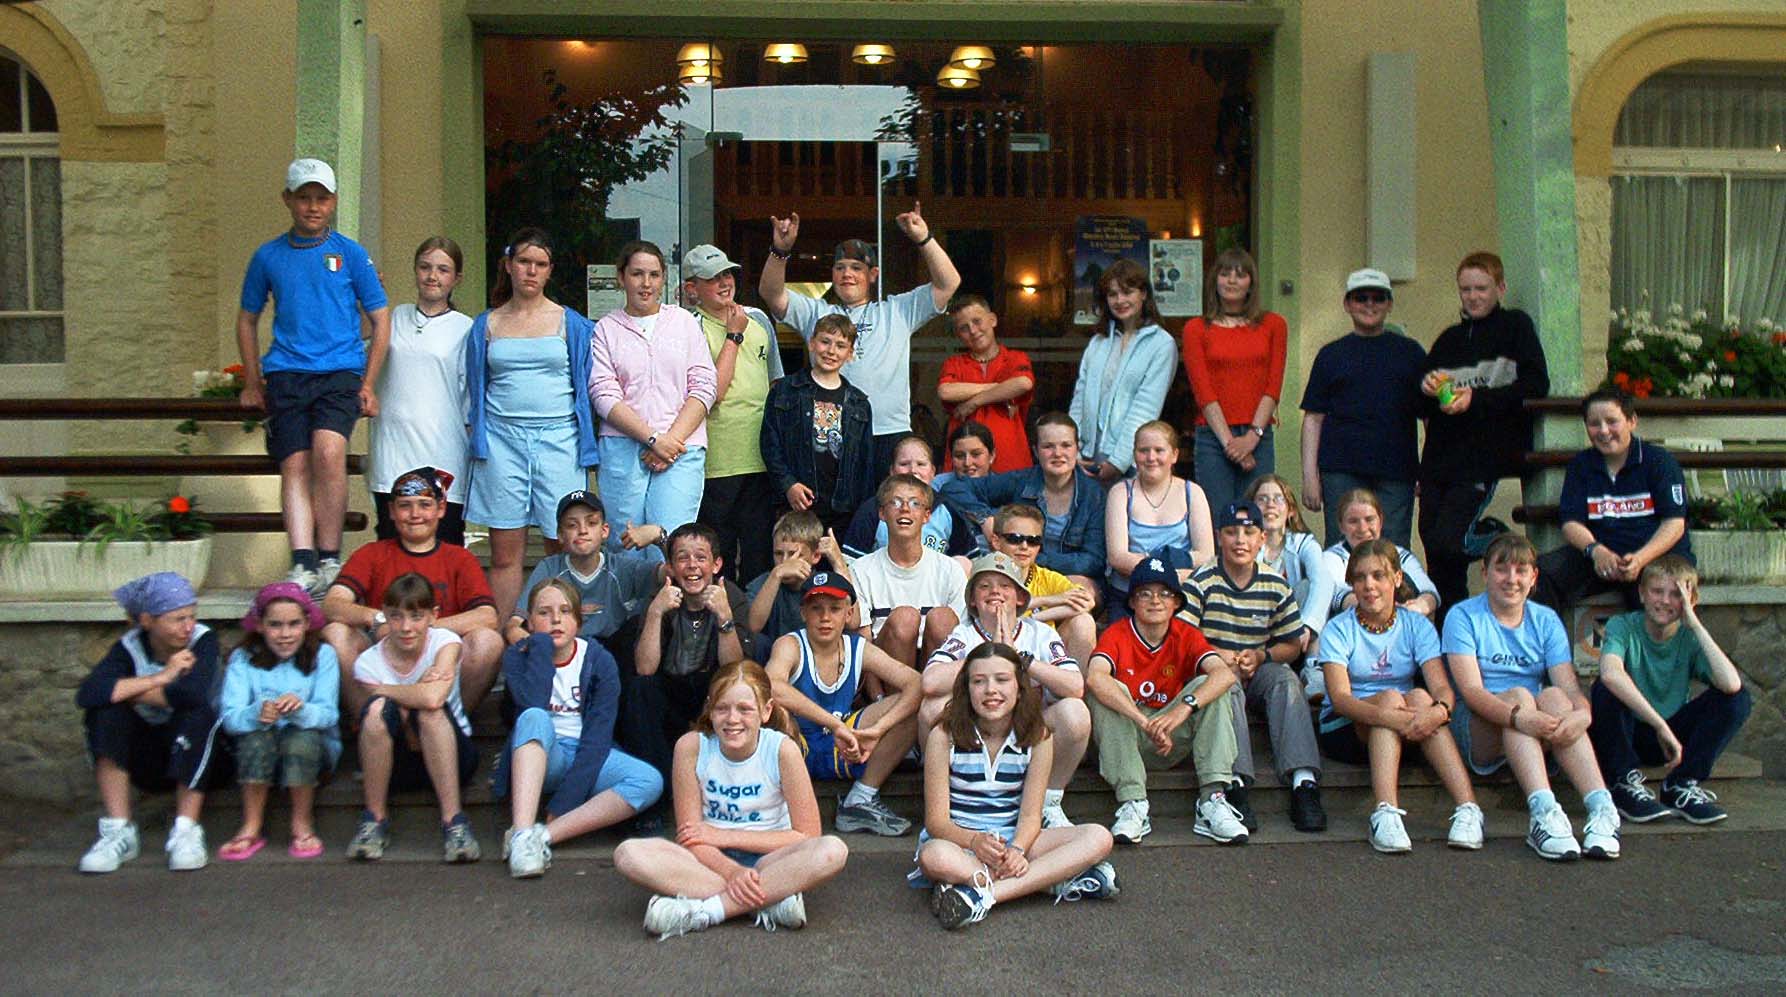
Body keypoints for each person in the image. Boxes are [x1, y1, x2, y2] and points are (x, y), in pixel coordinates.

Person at [235, 158, 391, 594]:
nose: (313, 206)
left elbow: (381, 319)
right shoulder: (268, 256)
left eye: (321, 198)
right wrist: (252, 380)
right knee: (295, 464)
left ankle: (329, 557)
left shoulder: (351, 253)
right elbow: (247, 319)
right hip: (286, 373)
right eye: (304, 197)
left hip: (339, 371)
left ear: (334, 201)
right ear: (288, 200)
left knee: (328, 452)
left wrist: (368, 384)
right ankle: (302, 560)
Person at [612, 662, 850, 939]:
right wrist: (733, 871)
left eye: (745, 709)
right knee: (628, 854)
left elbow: (806, 835)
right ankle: (768, 901)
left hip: (772, 860)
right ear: (710, 709)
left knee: (832, 851)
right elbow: (691, 837)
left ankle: (707, 911)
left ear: (766, 710)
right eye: (722, 708)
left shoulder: (782, 750)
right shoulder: (691, 747)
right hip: (709, 863)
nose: (732, 719)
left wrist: (724, 836)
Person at [1444, 534, 1621, 861]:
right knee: (1520, 695)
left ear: (1534, 577)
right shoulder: (1463, 616)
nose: (1511, 579)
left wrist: (1583, 715)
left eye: (1521, 570)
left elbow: (1569, 688)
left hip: (1535, 729)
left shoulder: (1545, 619)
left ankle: (1602, 810)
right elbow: (1471, 691)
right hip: (1481, 730)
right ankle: (1543, 813)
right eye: (1501, 570)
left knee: (1553, 696)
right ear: (1484, 573)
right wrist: (1518, 716)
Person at [916, 643, 1118, 930]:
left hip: (1015, 841)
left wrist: (1019, 850)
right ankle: (1049, 881)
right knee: (933, 856)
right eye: (978, 681)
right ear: (966, 689)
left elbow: (1031, 816)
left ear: (1020, 688)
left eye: (1002, 680)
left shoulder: (1038, 737)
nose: (990, 690)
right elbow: (936, 822)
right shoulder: (944, 735)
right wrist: (974, 841)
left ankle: (982, 895)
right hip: (959, 843)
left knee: (1099, 837)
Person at [760, 203, 962, 472]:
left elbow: (948, 283)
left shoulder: (897, 310)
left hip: (890, 431)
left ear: (873, 275)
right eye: (840, 267)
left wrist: (924, 239)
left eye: (856, 267)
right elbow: (771, 293)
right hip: (835, 432)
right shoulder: (817, 312)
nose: (847, 274)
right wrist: (780, 251)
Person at [465, 227, 601, 621]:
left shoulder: (571, 323)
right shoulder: (486, 324)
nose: (531, 271)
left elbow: (591, 384)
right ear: (508, 265)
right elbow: (474, 386)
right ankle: (501, 643)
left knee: (565, 546)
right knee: (506, 554)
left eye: (540, 264)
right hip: (502, 441)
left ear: (549, 271)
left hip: (559, 439)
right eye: (524, 262)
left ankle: (564, 640)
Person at [1313, 540, 1484, 853]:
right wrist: (1388, 715)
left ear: (1397, 579)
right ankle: (1385, 813)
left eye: (1379, 575)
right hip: (1346, 726)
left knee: (1420, 696)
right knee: (1393, 696)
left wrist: (1440, 711)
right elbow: (1340, 698)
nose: (1369, 585)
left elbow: (1442, 688)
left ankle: (1468, 809)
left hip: (1407, 722)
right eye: (1360, 578)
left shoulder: (1416, 625)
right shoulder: (1339, 629)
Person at [495, 580, 664, 878]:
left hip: (588, 754)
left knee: (649, 781)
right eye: (544, 613)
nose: (556, 620)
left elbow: (598, 738)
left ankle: (543, 836)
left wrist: (564, 803)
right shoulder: (518, 656)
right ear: (530, 622)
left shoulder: (599, 660)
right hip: (541, 755)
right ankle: (522, 832)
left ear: (578, 620)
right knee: (534, 716)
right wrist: (540, 648)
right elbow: (530, 703)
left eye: (565, 611)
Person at [1417, 252, 1550, 615]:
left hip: (1484, 457)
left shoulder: (1515, 327)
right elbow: (1422, 402)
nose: (1473, 297)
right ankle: (1452, 634)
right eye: (1466, 289)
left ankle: (1498, 536)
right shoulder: (1449, 340)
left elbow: (1536, 384)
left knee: (1450, 541)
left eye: (1481, 288)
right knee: (1436, 554)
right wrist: (1427, 387)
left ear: (1500, 288)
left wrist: (1476, 398)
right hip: (1439, 461)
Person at [1180, 501, 1325, 833]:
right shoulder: (1201, 582)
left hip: (1258, 666)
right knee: (1224, 685)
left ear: (1262, 539)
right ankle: (1236, 783)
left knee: (1287, 681)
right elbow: (1183, 639)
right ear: (1219, 538)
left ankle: (1303, 782)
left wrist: (1262, 656)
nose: (1240, 540)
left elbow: (1291, 644)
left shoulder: (1275, 584)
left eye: (1248, 533)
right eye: (1231, 532)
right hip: (1215, 669)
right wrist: (1219, 657)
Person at [1084, 558, 1247, 845]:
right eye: (1145, 593)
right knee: (1107, 690)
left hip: (1171, 737)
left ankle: (1212, 800)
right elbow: (1095, 678)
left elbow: (1225, 675)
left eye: (1164, 594)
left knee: (1211, 686)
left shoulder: (1186, 634)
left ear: (1176, 603)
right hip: (1127, 739)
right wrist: (1143, 721)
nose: (1155, 601)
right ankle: (1133, 803)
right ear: (1132, 601)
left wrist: (1183, 709)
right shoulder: (1117, 633)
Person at [921, 553, 1090, 829]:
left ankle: (1048, 801)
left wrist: (1020, 659)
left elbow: (1075, 686)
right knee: (932, 709)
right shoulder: (965, 634)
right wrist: (986, 657)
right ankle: (947, 803)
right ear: (973, 600)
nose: (995, 592)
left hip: (1027, 736)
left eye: (1005, 586)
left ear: (1021, 598)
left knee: (1076, 713)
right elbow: (929, 682)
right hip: (976, 741)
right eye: (985, 586)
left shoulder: (1040, 633)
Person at [75, 573, 226, 873]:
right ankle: (119, 831)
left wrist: (131, 692)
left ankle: (186, 830)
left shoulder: (203, 641)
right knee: (104, 713)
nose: (188, 626)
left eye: (192, 616)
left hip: (208, 759)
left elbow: (191, 695)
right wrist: (161, 677)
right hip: (149, 758)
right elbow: (90, 693)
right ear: (147, 621)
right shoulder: (129, 646)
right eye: (177, 619)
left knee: (197, 715)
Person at [321, 466, 503, 715]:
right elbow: (333, 604)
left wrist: (420, 628)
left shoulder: (459, 558)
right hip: (383, 655)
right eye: (405, 505)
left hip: (437, 661)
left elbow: (486, 616)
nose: (415, 514)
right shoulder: (371, 554)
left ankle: (450, 723)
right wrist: (380, 619)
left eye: (424, 505)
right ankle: (368, 721)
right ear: (392, 511)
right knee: (336, 632)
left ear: (441, 509)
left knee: (488, 641)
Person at [1590, 556, 1751, 825]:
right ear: (1642, 593)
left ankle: (1680, 784)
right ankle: (1623, 784)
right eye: (1657, 591)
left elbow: (1731, 685)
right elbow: (1611, 673)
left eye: (1676, 594)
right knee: (1605, 689)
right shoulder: (1624, 626)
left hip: (1670, 745)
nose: (1665, 601)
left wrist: (1695, 624)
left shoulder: (1689, 637)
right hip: (1630, 735)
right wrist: (1659, 726)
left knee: (1738, 699)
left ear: (1690, 600)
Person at [590, 240, 719, 563]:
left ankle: (669, 612)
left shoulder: (685, 323)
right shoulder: (606, 329)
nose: (646, 283)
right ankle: (630, 614)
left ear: (664, 279)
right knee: (625, 544)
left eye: (654, 275)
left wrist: (670, 442)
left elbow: (703, 386)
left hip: (681, 449)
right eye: (637, 274)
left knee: (674, 542)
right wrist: (651, 438)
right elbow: (603, 393)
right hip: (623, 447)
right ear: (621, 278)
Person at [766, 572, 920, 837]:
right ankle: (775, 805)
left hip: (844, 746)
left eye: (835, 609)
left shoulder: (856, 646)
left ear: (849, 614)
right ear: (803, 612)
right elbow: (772, 685)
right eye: (816, 609)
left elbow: (916, 684)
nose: (825, 617)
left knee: (911, 709)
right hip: (796, 747)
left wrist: (878, 729)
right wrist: (835, 724)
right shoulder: (790, 643)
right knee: (774, 712)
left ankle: (860, 799)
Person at [619, 523, 764, 800]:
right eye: (683, 558)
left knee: (737, 686)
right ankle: (657, 793)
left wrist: (724, 618)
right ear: (671, 568)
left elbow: (735, 670)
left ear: (717, 564)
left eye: (700, 557)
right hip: (670, 692)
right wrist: (654, 613)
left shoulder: (731, 596)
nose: (692, 566)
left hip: (712, 694)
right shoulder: (660, 596)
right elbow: (645, 669)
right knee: (639, 690)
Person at [345, 573, 482, 863]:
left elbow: (433, 698)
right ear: (384, 615)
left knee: (429, 712)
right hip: (397, 760)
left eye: (416, 616)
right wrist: (413, 692)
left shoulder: (445, 642)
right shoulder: (369, 661)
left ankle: (454, 821)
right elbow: (424, 693)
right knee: (375, 712)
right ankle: (374, 819)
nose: (406, 627)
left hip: (453, 753)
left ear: (433, 616)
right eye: (396, 617)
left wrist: (385, 690)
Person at [1532, 386, 1692, 614]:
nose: (1604, 431)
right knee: (1538, 575)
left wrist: (1640, 559)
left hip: (1654, 556)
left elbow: (1674, 524)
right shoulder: (1581, 465)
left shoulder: (1659, 462)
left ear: (1632, 421)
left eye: (1612, 421)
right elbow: (1570, 523)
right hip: (1602, 558)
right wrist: (1596, 551)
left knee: (1661, 589)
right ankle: (1545, 646)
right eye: (1594, 424)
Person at [1299, 268, 1426, 546]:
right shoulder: (1331, 355)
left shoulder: (1411, 353)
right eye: (1361, 298)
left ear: (1389, 304)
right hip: (1340, 470)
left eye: (1378, 298)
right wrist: (1310, 476)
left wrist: (1427, 470)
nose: (1369, 304)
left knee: (1392, 550)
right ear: (1347, 304)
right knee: (1341, 548)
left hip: (1397, 469)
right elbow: (1313, 419)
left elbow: (1430, 418)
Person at [217, 583, 340, 862]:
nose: (285, 634)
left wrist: (300, 709)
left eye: (294, 624)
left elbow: (329, 714)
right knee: (254, 739)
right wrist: (255, 713)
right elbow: (230, 718)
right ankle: (251, 825)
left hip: (313, 749)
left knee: (301, 739)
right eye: (275, 625)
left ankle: (302, 823)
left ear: (307, 623)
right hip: (261, 745)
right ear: (259, 625)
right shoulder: (243, 658)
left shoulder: (324, 655)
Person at [685, 244, 786, 582]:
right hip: (716, 461)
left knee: (759, 551)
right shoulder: (689, 327)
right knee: (719, 553)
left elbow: (776, 384)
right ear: (692, 289)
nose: (724, 282)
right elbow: (712, 392)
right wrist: (733, 334)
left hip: (760, 457)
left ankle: (754, 629)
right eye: (713, 277)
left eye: (727, 273)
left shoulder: (758, 319)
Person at [370, 235, 473, 546]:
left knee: (443, 548)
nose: (432, 276)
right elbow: (358, 346)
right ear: (415, 270)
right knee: (391, 547)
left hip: (444, 455)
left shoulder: (467, 328)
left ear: (457, 278)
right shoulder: (392, 318)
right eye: (425, 267)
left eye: (443, 269)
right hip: (392, 454)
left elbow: (470, 399)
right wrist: (368, 298)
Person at [1179, 248, 1289, 513]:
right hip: (1213, 437)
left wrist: (1251, 438)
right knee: (1218, 520)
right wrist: (1231, 444)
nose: (1231, 280)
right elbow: (1203, 392)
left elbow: (1273, 387)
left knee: (1258, 518)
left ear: (1251, 282)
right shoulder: (1196, 328)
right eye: (1225, 273)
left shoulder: (1274, 325)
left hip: (1258, 436)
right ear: (1214, 281)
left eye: (1240, 275)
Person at [942, 412, 1107, 586]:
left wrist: (1035, 560)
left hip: (1066, 574)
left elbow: (1093, 561)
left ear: (1076, 449)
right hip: (1016, 572)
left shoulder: (1094, 495)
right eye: (1048, 446)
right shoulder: (1021, 481)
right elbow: (953, 489)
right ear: (1035, 450)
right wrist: (984, 518)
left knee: (1081, 590)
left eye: (1066, 445)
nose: (1058, 453)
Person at [760, 313, 876, 533]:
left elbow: (865, 464)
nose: (831, 351)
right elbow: (769, 444)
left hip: (842, 509)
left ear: (850, 354)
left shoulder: (860, 404)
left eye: (841, 346)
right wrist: (788, 485)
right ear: (812, 343)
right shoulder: (785, 391)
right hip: (794, 504)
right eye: (825, 342)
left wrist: (862, 513)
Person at [1069, 259, 1179, 484]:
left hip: (1130, 462)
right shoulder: (1097, 342)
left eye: (1127, 292)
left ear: (1144, 294)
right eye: (1112, 294)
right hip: (1087, 459)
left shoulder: (1162, 344)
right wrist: (1072, 449)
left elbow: (1146, 407)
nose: (1120, 300)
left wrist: (1118, 462)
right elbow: (1079, 400)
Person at [502, 490, 659, 648]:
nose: (582, 530)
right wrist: (535, 648)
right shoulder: (550, 568)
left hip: (613, 652)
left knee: (635, 626)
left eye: (591, 523)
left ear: (604, 531)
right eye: (572, 525)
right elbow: (515, 625)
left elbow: (675, 572)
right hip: (563, 650)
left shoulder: (622, 568)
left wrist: (659, 535)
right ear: (560, 535)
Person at [848, 475, 968, 670]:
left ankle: (931, 696)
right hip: (885, 668)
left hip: (937, 669)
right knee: (905, 618)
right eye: (895, 502)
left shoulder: (949, 569)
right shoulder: (861, 569)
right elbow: (862, 644)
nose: (904, 509)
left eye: (914, 503)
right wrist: (877, 696)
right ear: (882, 513)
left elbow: (963, 638)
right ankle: (902, 697)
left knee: (943, 618)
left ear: (927, 516)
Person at [1104, 420, 1214, 612]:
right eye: (1143, 450)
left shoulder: (1192, 493)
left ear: (1175, 455)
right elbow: (1117, 557)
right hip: (1129, 596)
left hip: (1180, 597)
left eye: (1159, 450)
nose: (1151, 457)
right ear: (1134, 455)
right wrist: (1172, 566)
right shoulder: (1120, 492)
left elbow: (1206, 556)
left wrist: (1152, 563)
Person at [1303, 489, 1440, 640]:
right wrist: (1389, 612)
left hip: (1399, 632)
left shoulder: (1400, 554)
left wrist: (1418, 607)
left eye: (1369, 519)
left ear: (1380, 521)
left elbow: (1429, 592)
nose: (1362, 528)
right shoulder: (1331, 557)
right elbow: (1341, 597)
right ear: (1341, 526)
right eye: (1353, 521)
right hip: (1350, 634)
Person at [987, 503, 1098, 669]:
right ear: (996, 541)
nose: (1024, 546)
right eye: (1015, 539)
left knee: (1084, 621)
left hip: (1043, 658)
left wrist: (1031, 619)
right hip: (994, 659)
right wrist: (1051, 600)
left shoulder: (1047, 578)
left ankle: (1077, 689)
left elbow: (1087, 602)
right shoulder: (982, 573)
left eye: (1033, 540)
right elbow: (999, 614)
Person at [840, 435, 981, 559]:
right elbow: (852, 563)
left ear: (933, 471)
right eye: (904, 464)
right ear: (892, 470)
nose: (913, 470)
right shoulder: (874, 508)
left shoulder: (948, 509)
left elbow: (969, 559)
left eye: (921, 464)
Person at [938, 294, 1034, 474]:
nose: (973, 331)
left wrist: (974, 401)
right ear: (959, 335)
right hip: (964, 469)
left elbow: (1023, 383)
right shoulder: (954, 363)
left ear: (993, 320)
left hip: (1012, 465)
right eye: (964, 328)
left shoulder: (1015, 358)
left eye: (977, 321)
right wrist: (999, 388)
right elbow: (946, 391)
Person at [745, 510, 853, 644]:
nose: (785, 562)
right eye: (778, 554)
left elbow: (853, 622)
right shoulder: (765, 581)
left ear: (815, 556)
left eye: (793, 554)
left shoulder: (823, 581)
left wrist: (838, 561)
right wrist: (776, 575)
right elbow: (752, 627)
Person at [934, 422, 998, 490]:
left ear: (992, 456)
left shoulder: (1003, 487)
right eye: (959, 456)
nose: (967, 463)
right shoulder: (939, 485)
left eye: (976, 454)